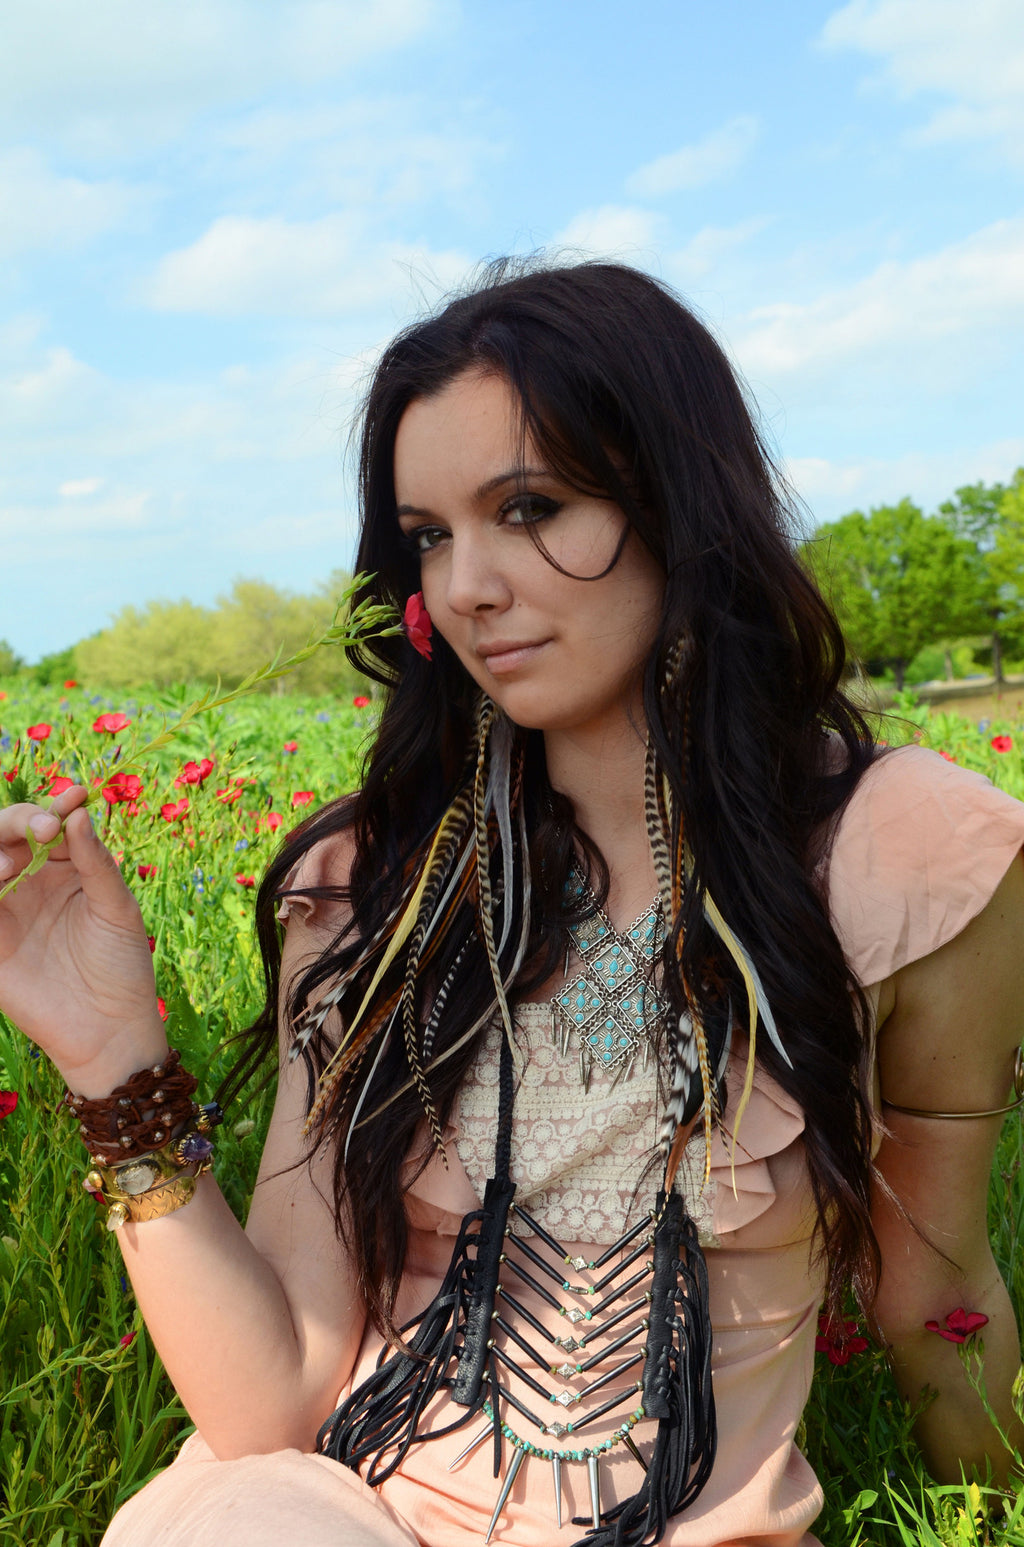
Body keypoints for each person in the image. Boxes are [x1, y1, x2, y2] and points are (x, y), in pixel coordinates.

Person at [1, 259, 1022, 1547]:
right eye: (429, 535)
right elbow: (270, 1403)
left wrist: (992, 1517)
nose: (466, 584)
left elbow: (938, 1291)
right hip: (335, 1512)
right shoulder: (372, 881)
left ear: (678, 503)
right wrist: (111, 1060)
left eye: (528, 507)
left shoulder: (909, 854)